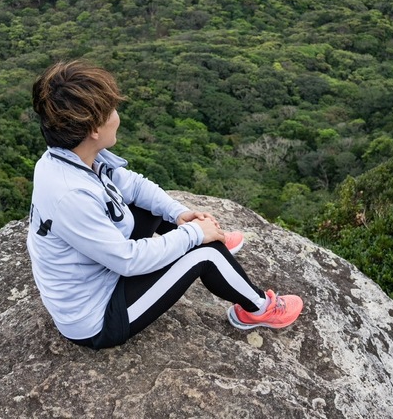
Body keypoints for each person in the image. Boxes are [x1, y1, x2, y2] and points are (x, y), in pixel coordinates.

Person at [27, 59, 303, 349]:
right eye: (111, 110)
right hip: (97, 317)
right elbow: (128, 260)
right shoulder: (71, 194)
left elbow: (132, 185)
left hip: (99, 272)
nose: (117, 115)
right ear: (94, 129)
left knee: (154, 209)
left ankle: (213, 239)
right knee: (205, 254)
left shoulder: (69, 156)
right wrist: (194, 236)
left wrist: (180, 214)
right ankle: (258, 309)